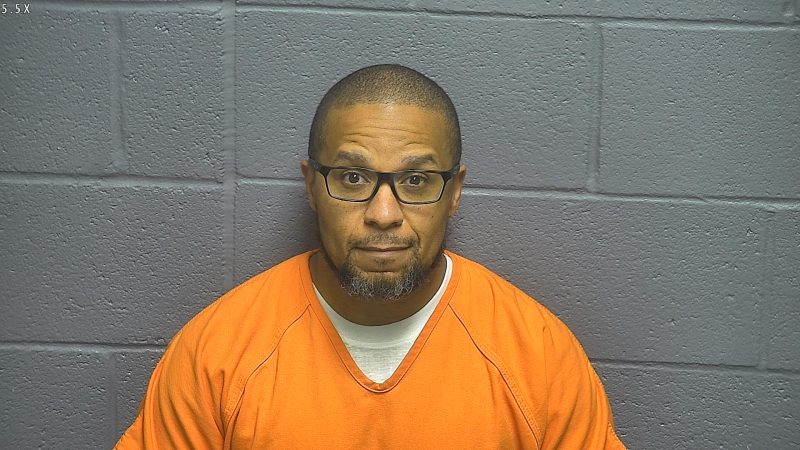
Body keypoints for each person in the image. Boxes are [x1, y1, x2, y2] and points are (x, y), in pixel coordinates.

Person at [116, 64, 625, 449]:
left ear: (454, 193)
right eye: (353, 178)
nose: (384, 214)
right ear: (312, 186)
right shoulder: (217, 356)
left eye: (416, 180)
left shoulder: (539, 359)